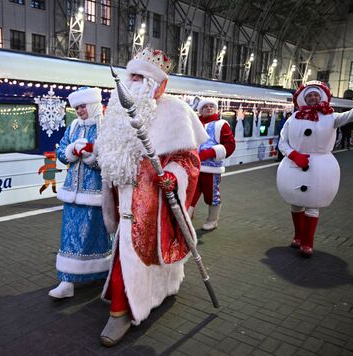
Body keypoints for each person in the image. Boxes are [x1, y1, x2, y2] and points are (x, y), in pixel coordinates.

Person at [95, 48, 208, 346]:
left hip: (154, 206)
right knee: (131, 254)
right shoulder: (117, 111)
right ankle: (146, 296)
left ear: (158, 84)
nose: (132, 82)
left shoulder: (176, 112)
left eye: (140, 77)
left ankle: (120, 312)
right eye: (130, 75)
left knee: (135, 255)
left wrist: (173, 175)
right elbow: (108, 153)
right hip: (123, 203)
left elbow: (189, 160)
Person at [277, 80, 353, 257]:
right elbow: (283, 141)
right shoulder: (293, 118)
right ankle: (297, 236)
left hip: (320, 168)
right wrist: (293, 155)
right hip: (294, 165)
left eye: (316, 95)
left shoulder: (331, 117)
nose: (313, 98)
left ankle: (307, 242)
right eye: (310, 95)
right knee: (295, 204)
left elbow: (352, 115)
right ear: (304, 98)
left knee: (313, 205)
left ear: (321, 98)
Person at [49, 87, 112, 298]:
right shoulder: (74, 126)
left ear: (93, 104)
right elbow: (61, 151)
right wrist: (71, 152)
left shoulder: (106, 127)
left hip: (95, 193)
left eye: (83, 106)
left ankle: (103, 273)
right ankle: (67, 281)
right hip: (71, 193)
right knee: (69, 236)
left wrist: (92, 156)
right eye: (76, 107)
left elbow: (112, 160)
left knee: (97, 236)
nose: (79, 111)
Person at [189, 98, 236, 230]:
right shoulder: (194, 124)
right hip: (193, 166)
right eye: (205, 107)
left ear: (216, 109)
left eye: (211, 106)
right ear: (201, 110)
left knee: (211, 195)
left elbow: (230, 145)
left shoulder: (222, 124)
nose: (209, 108)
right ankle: (187, 217)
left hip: (211, 168)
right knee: (190, 193)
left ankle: (212, 220)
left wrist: (209, 153)